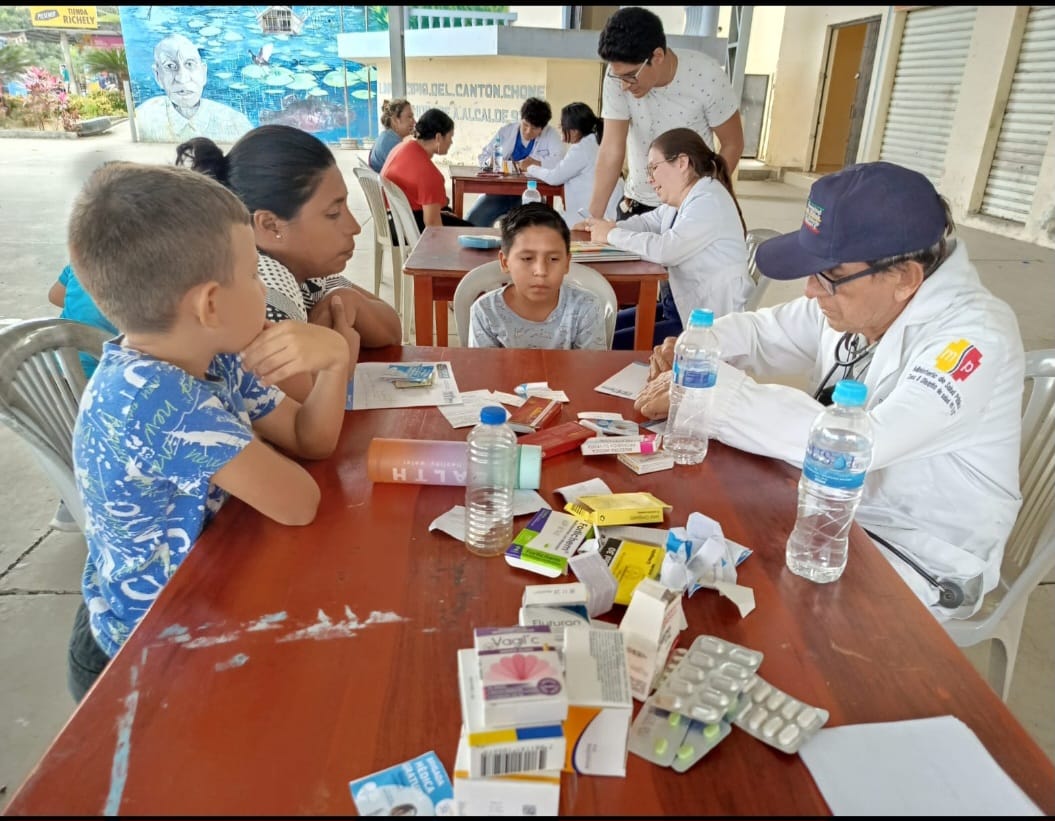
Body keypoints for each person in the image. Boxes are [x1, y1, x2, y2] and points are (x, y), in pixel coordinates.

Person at [634, 161, 1025, 623]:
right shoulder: (860, 299)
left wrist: (713, 394)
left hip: (915, 553)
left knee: (747, 614)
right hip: (830, 518)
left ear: (904, 278)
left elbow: (861, 443)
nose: (810, 290)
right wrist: (698, 346)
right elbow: (762, 332)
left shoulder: (974, 339)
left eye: (830, 274)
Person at [65, 161, 350, 700]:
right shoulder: (157, 399)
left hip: (198, 584)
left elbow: (308, 438)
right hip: (137, 652)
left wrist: (334, 360)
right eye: (254, 275)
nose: (263, 290)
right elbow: (298, 502)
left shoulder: (213, 353)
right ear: (211, 304)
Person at [176, 125, 402, 401]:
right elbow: (304, 411)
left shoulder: (306, 272)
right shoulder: (262, 294)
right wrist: (340, 354)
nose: (354, 227)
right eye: (333, 213)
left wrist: (345, 299)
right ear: (271, 225)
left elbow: (392, 329)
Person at [581, 127, 750, 349]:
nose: (649, 179)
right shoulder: (683, 200)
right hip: (679, 308)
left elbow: (666, 250)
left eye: (653, 168)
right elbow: (646, 222)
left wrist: (611, 234)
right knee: (600, 327)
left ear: (682, 162)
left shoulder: (708, 200)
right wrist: (605, 227)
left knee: (606, 344)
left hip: (705, 324)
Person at [586, 7, 744, 223]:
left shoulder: (707, 76)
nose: (624, 86)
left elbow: (733, 143)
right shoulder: (617, 78)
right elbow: (611, 148)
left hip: (688, 209)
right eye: (618, 76)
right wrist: (593, 217)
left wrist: (703, 197)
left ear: (658, 56)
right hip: (637, 204)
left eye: (631, 76)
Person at [467, 203, 607, 350]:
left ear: (567, 263)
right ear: (505, 262)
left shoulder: (586, 307)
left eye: (553, 259)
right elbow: (482, 365)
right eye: (527, 258)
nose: (541, 271)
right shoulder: (486, 311)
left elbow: (591, 364)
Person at [135, 33, 252, 143]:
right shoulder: (143, 118)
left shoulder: (236, 123)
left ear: (203, 73)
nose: (182, 78)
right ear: (157, 76)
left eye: (190, 64)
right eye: (170, 66)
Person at [467, 97, 564, 228]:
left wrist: (536, 163)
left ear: (543, 128)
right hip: (499, 193)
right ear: (521, 119)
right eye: (525, 125)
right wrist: (491, 163)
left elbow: (559, 163)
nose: (528, 131)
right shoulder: (506, 131)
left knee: (534, 226)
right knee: (473, 220)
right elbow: (483, 157)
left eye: (534, 128)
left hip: (531, 194)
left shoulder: (551, 136)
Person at [525, 102, 622, 228]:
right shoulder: (594, 141)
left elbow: (554, 177)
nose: (559, 128)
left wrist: (530, 168)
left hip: (597, 212)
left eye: (562, 125)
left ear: (574, 131)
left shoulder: (582, 148)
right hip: (608, 209)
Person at [381, 108, 474, 232]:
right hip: (408, 229)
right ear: (438, 137)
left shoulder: (401, 147)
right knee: (470, 231)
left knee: (448, 213)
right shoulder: (429, 173)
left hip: (392, 221)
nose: (451, 142)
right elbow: (433, 225)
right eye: (450, 137)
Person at [47, 263, 119, 378]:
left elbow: (54, 296)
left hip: (51, 366)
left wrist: (83, 308)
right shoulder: (142, 283)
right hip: (95, 377)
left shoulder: (78, 264)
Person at [369, 98, 415, 173]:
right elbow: (410, 172)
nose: (414, 121)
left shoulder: (386, 136)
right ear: (395, 120)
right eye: (409, 117)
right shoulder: (391, 142)